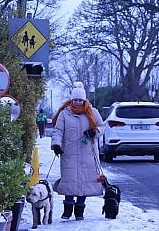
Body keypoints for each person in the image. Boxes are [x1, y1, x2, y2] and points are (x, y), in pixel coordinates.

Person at [51, 81, 104, 221]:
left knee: (85, 181)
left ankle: (80, 210)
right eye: (75, 100)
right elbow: (58, 131)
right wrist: (56, 144)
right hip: (69, 153)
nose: (78, 102)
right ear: (71, 100)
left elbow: (101, 126)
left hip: (88, 153)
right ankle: (68, 209)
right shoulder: (64, 114)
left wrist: (95, 132)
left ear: (84, 99)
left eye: (80, 100)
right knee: (70, 181)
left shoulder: (93, 112)